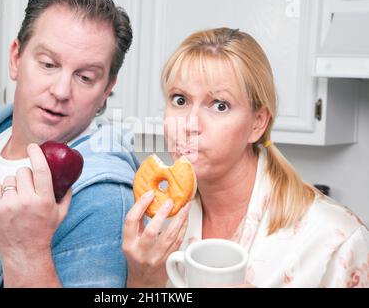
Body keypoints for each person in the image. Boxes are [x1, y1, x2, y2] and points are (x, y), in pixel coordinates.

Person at [0, 0, 138, 288]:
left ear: (106, 89)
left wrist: (27, 253)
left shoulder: (106, 200)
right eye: (48, 64)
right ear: (15, 58)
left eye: (85, 77)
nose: (61, 91)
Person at [122, 28, 369, 288]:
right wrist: (142, 279)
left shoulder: (336, 240)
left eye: (219, 105)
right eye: (180, 100)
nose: (188, 125)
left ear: (257, 123)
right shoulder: (156, 229)